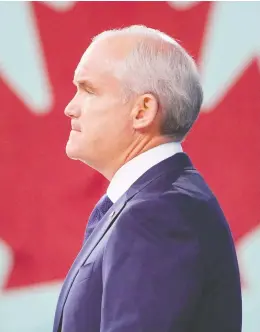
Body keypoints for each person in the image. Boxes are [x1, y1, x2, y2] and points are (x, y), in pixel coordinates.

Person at [53, 25, 242, 332]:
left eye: (88, 90)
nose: (70, 108)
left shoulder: (158, 214)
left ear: (142, 111)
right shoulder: (153, 204)